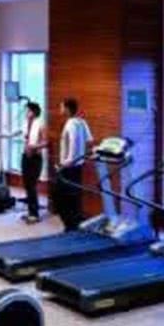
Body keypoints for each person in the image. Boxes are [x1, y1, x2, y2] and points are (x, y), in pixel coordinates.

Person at [54, 98, 93, 231]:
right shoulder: (82, 122)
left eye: (61, 107)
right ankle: (74, 224)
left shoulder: (70, 124)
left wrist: (67, 163)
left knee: (63, 198)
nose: (60, 109)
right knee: (74, 196)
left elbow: (73, 143)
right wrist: (83, 156)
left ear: (67, 109)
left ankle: (69, 226)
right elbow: (90, 141)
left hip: (68, 167)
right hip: (78, 166)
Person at [21, 102, 47, 223]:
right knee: (26, 184)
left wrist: (34, 147)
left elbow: (46, 142)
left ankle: (34, 214)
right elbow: (22, 136)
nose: (26, 113)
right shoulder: (25, 123)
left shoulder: (40, 124)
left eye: (28, 111)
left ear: (34, 112)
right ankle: (30, 211)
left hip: (35, 157)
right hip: (25, 156)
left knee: (32, 185)